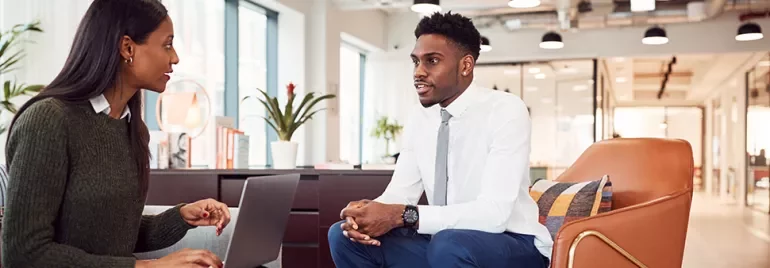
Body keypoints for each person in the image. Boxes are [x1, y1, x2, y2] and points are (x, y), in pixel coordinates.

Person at [2, 1, 230, 267]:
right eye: (167, 45)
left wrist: (181, 217)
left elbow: (115, 235)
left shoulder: (133, 129)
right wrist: (146, 266)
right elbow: (24, 253)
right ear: (127, 47)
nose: (175, 57)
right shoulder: (48, 121)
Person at [328, 12, 553, 268]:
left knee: (449, 245)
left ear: (465, 65)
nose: (418, 72)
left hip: (511, 242)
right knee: (343, 235)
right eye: (416, 62)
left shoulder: (506, 110)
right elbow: (401, 192)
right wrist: (367, 214)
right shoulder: (419, 117)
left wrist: (402, 215)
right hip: (444, 244)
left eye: (432, 61)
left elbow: (494, 215)